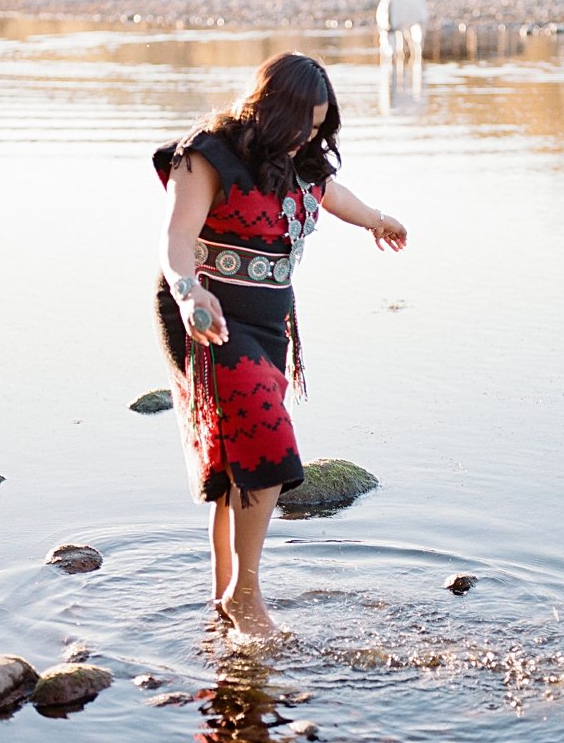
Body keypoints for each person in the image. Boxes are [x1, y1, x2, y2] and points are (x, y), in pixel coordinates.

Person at [154, 52, 407, 639]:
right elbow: (174, 239)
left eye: (320, 127)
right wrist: (191, 294)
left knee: (237, 457)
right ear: (270, 108)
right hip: (204, 309)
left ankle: (222, 596)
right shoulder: (208, 152)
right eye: (301, 125)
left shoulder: (304, 165)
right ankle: (246, 595)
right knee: (267, 442)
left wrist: (379, 219)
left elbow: (332, 195)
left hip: (267, 319)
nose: (308, 139)